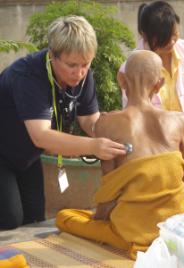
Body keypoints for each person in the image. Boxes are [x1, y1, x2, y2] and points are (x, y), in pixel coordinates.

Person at [56, 50, 184, 260]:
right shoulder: (177, 120)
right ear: (159, 84)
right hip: (175, 223)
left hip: (132, 231)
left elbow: (108, 195)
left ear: (121, 79)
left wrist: (99, 220)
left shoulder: (106, 123)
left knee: (65, 217)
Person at [0, 15, 127, 229]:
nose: (79, 73)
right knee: (9, 219)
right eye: (71, 65)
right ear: (52, 55)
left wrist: (114, 135)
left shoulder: (84, 76)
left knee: (34, 219)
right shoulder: (27, 76)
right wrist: (93, 146)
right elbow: (41, 136)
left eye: (85, 64)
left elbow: (89, 120)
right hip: (4, 153)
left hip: (26, 157)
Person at [117, 1, 184, 178]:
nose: (171, 42)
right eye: (163, 39)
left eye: (174, 34)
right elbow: (134, 117)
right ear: (145, 36)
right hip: (154, 159)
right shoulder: (131, 68)